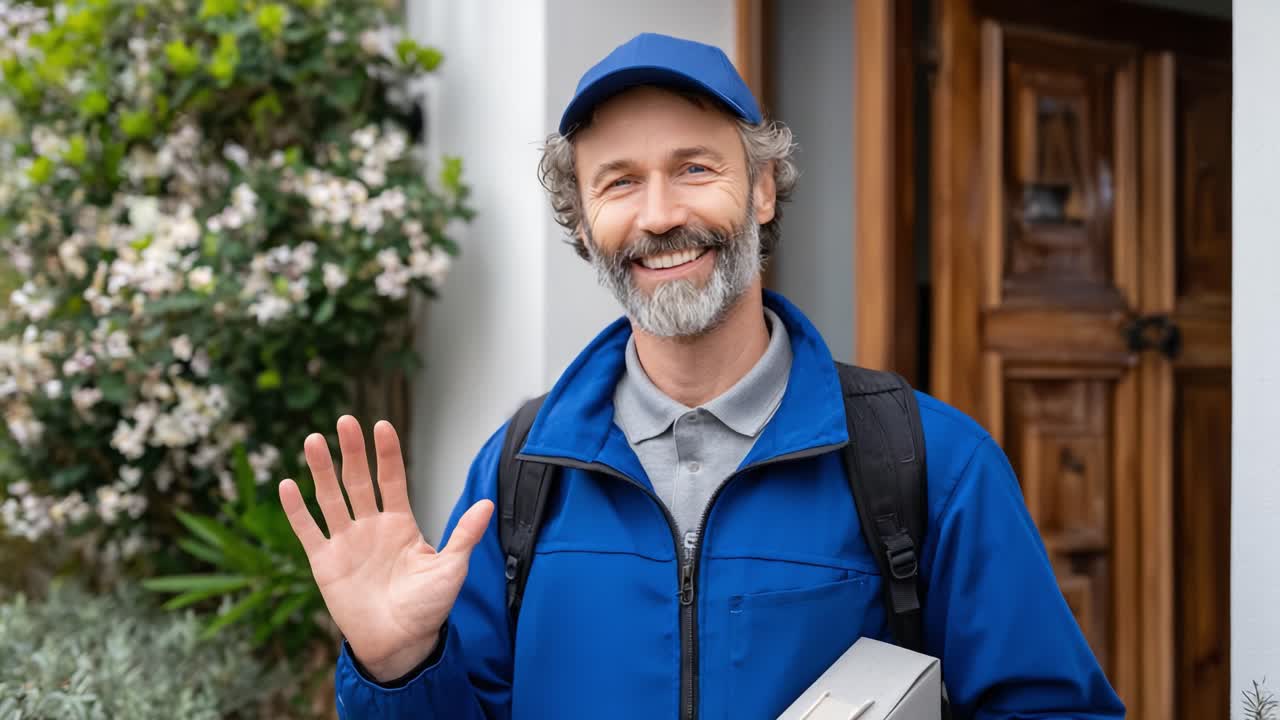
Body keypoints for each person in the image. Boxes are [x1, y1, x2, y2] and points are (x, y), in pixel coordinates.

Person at [278, 32, 1125, 720]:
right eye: (618, 183)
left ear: (761, 187)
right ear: (585, 223)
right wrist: (396, 666)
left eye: (695, 168)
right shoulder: (521, 470)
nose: (659, 215)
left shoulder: (930, 461)